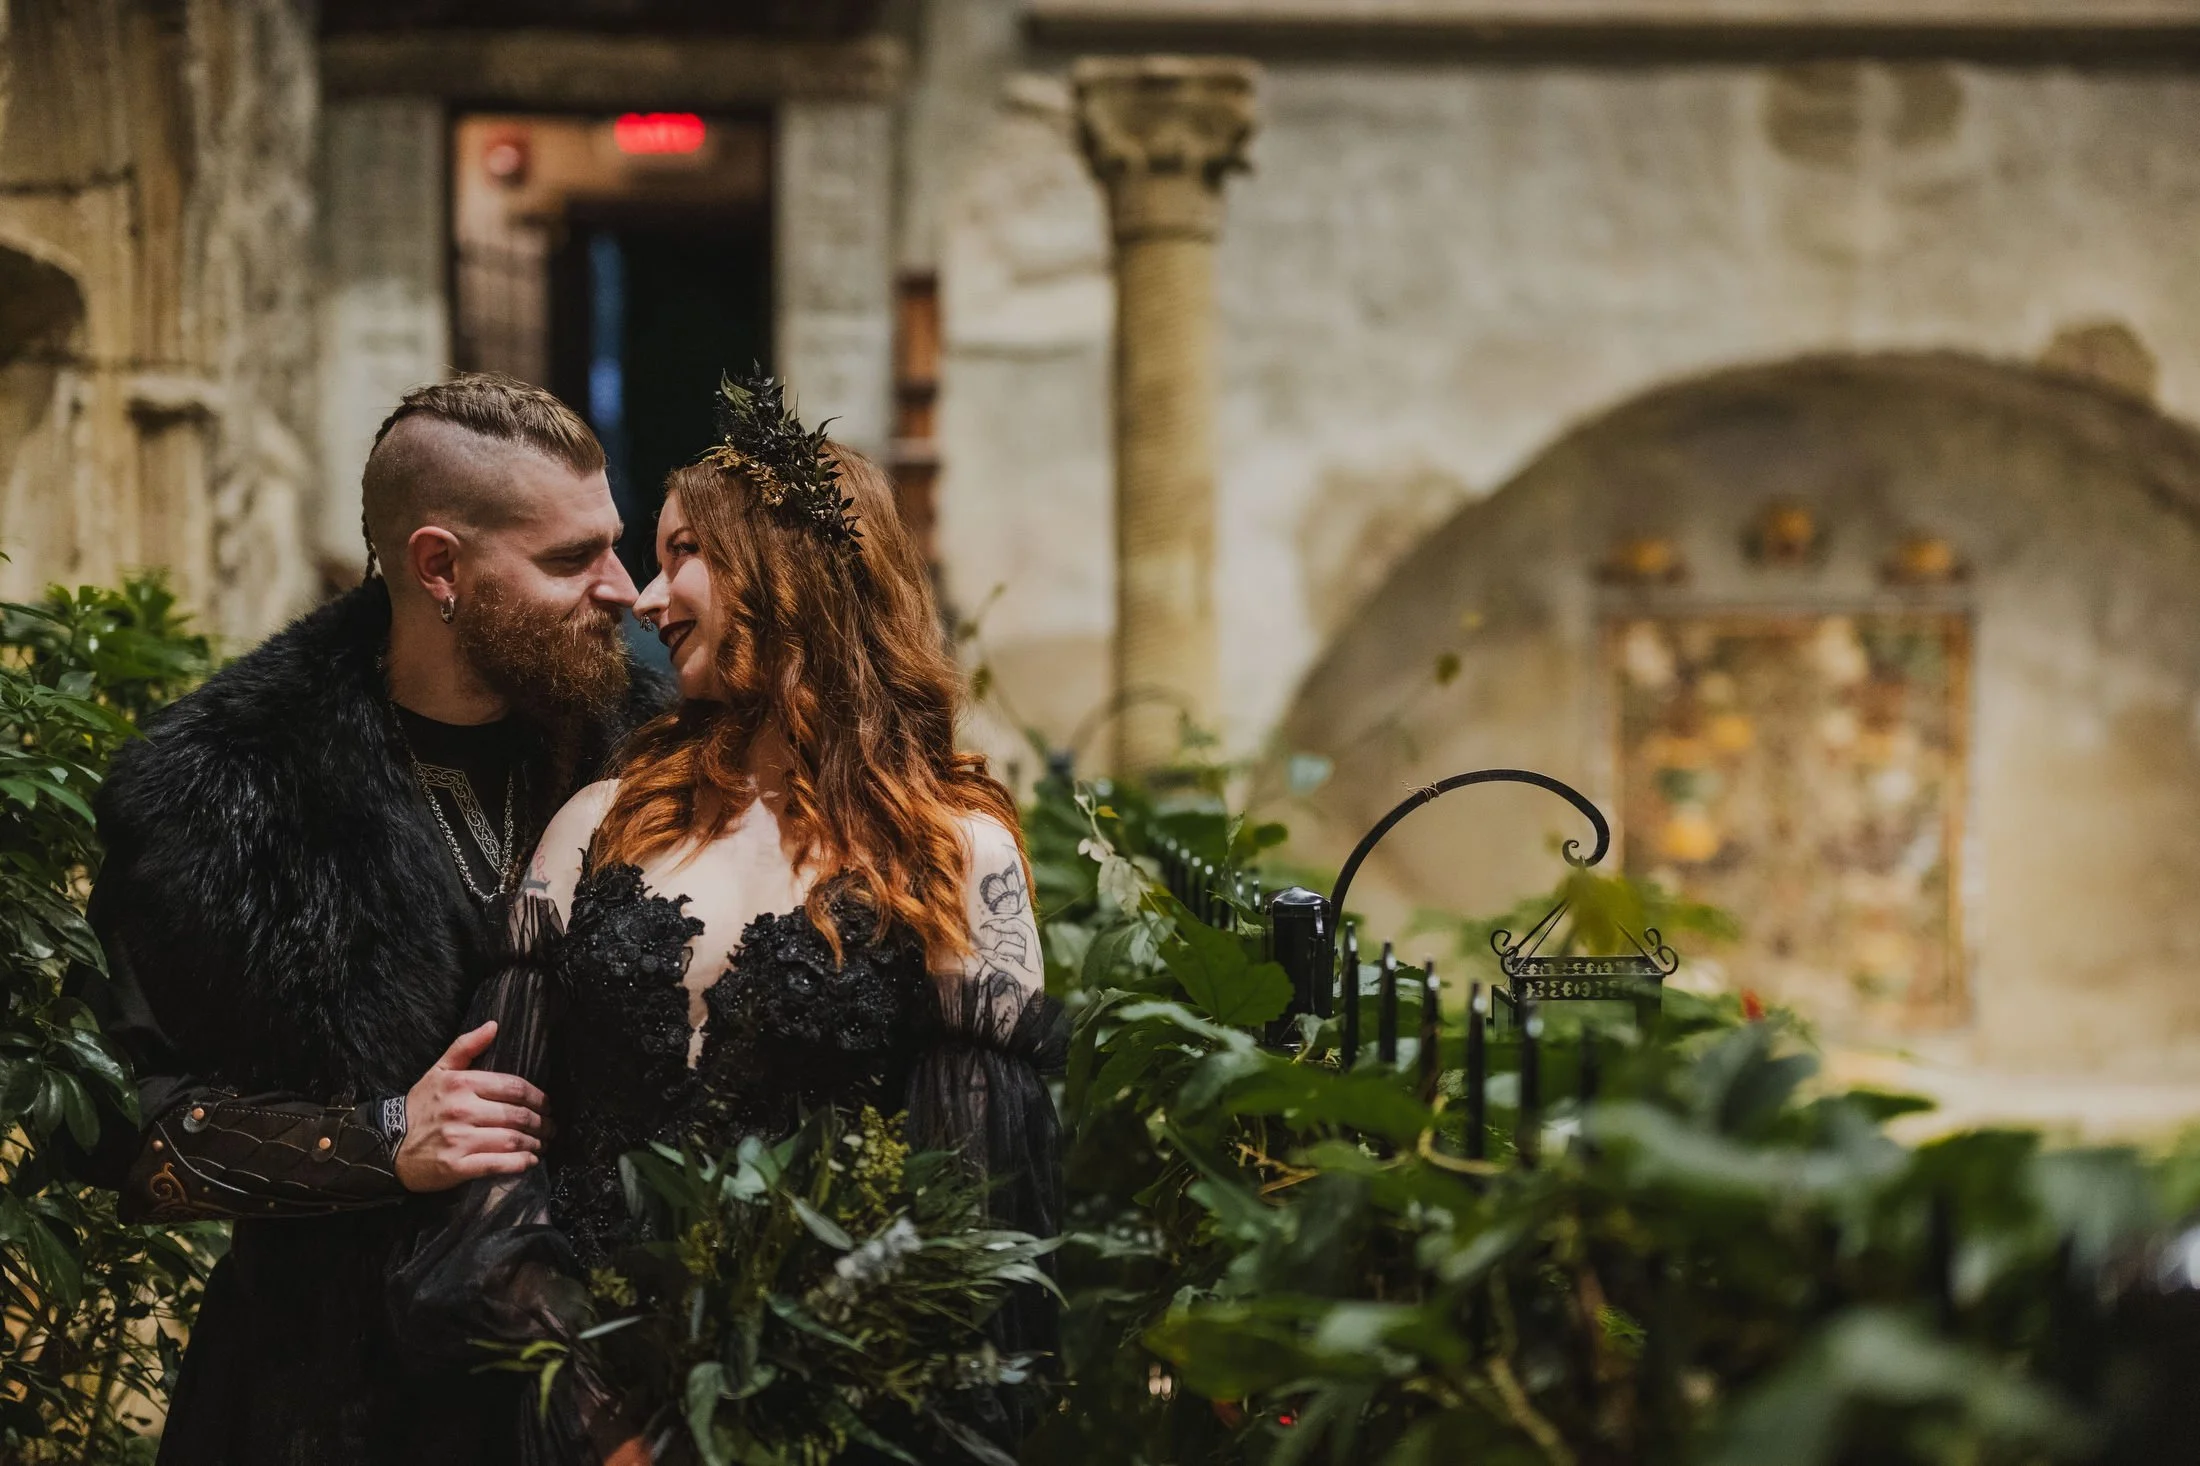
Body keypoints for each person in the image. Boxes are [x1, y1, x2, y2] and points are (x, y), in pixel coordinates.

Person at [394, 375, 1065, 1463]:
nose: (650, 597)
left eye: (682, 553)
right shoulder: (594, 823)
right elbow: (497, 1148)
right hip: (580, 1415)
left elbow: (976, 1217)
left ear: (789, 568)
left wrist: (789, 1412)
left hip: (838, 1421)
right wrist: (598, 1413)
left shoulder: (953, 854)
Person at [80, 374, 669, 1466]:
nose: (623, 590)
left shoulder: (657, 754)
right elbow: (130, 1134)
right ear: (440, 565)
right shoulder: (218, 787)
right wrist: (382, 1139)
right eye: (567, 560)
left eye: (614, 545)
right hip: (331, 1397)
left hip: (616, 1385)